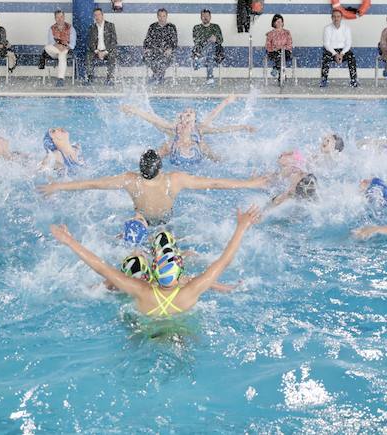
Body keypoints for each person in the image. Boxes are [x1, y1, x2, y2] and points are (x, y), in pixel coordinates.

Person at [49, 205, 262, 319]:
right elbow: (224, 260)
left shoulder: (143, 290)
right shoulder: (191, 290)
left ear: (154, 272)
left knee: (133, 263)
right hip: (181, 330)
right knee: (164, 241)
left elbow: (101, 267)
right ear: (180, 275)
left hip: (143, 329)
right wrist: (242, 227)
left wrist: (69, 240)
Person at [39, 148, 269, 230]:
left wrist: (58, 186)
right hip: (167, 222)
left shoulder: (131, 180)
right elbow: (215, 183)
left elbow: (92, 184)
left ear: (141, 169)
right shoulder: (175, 179)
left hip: (141, 221)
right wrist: (250, 183)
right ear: (160, 168)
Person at [122, 95, 254, 168]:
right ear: (181, 117)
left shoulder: (200, 129)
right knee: (162, 149)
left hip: (197, 159)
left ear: (195, 118)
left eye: (191, 112)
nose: (188, 113)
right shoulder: (173, 129)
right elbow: (153, 119)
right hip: (174, 158)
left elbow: (218, 124)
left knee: (211, 153)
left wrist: (242, 126)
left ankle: (230, 162)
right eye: (186, 112)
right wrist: (134, 110)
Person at [319, 8, 358, 88]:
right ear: (331, 18)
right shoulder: (327, 28)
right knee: (325, 57)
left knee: (352, 57)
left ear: (341, 17)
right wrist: (335, 54)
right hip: (331, 50)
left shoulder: (346, 28)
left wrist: (342, 54)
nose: (336, 18)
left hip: (343, 50)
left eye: (338, 16)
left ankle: (353, 80)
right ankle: (324, 80)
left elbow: (348, 43)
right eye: (334, 17)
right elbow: (326, 44)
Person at [38, 9, 76, 86]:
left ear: (64, 17)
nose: (59, 19)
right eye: (57, 17)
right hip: (55, 50)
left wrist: (65, 47)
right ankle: (61, 52)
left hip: (66, 50)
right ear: (55, 18)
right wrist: (58, 46)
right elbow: (51, 41)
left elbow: (72, 43)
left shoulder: (70, 28)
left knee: (62, 54)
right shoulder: (52, 28)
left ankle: (60, 79)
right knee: (46, 47)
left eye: (61, 17)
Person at [142, 8, 178, 84]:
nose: (162, 18)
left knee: (163, 59)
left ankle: (157, 76)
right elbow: (147, 40)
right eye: (160, 16)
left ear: (166, 16)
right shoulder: (153, 26)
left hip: (167, 51)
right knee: (147, 57)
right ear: (157, 16)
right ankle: (158, 76)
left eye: (164, 16)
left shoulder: (171, 27)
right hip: (155, 51)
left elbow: (174, 42)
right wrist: (147, 48)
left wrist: (170, 49)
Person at [83, 7, 117, 85]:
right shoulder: (92, 28)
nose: (97, 17)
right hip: (96, 51)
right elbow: (90, 42)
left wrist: (105, 52)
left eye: (98, 15)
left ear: (102, 15)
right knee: (88, 55)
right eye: (95, 15)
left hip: (107, 51)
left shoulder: (110, 26)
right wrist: (97, 51)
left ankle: (109, 78)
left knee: (112, 56)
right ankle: (90, 77)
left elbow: (114, 41)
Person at [191, 8, 223, 85]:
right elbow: (196, 41)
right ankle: (210, 77)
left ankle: (198, 61)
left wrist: (215, 39)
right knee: (210, 53)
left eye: (207, 16)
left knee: (211, 48)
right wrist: (208, 40)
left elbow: (221, 40)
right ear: (200, 17)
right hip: (201, 49)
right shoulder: (196, 28)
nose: (205, 18)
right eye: (203, 16)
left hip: (214, 51)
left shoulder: (216, 27)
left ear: (210, 17)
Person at [264, 13, 293, 78]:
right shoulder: (270, 34)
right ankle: (282, 75)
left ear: (283, 23)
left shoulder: (287, 33)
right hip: (274, 52)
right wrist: (274, 49)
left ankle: (276, 68)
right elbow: (268, 45)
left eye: (280, 21)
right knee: (278, 55)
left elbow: (289, 44)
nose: (279, 23)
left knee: (282, 54)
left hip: (285, 52)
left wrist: (282, 48)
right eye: (277, 22)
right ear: (274, 23)